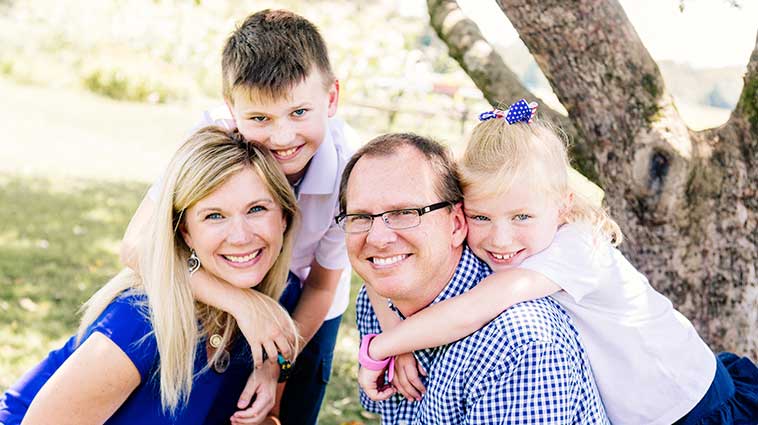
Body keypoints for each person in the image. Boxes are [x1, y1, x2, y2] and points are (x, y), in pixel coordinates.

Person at [357, 101, 758, 424]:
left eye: (521, 217)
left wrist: (382, 347)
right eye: (482, 217)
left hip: (689, 405)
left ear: (562, 207)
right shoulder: (528, 242)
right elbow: (379, 268)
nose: (500, 238)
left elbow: (469, 311)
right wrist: (398, 334)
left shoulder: (576, 248)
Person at [119, 9, 354, 424]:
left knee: (289, 406)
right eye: (260, 118)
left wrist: (275, 364)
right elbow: (137, 246)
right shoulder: (209, 137)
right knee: (217, 402)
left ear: (331, 98)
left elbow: (320, 286)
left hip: (308, 301)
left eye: (299, 112)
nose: (282, 139)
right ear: (231, 108)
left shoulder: (349, 169)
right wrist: (242, 303)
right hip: (223, 279)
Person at [0, 126, 299, 425]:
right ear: (186, 233)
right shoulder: (141, 321)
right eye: (214, 216)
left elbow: (270, 418)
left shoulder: (282, 296)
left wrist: (273, 377)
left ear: (284, 218)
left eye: (257, 209)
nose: (240, 236)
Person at [337, 132, 608, 423]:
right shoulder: (378, 300)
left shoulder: (520, 342)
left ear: (456, 224)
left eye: (405, 212)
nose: (377, 238)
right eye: (360, 217)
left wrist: (382, 346)